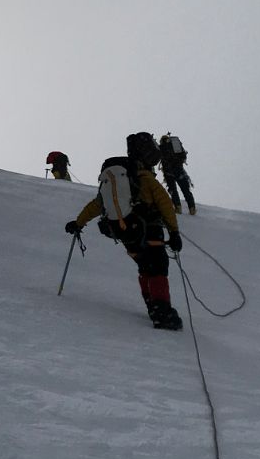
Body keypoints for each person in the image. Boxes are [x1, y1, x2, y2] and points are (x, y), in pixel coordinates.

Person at [64, 132, 184, 330]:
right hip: (149, 231)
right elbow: (165, 204)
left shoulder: (121, 181)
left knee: (145, 268)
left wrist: (78, 222)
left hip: (128, 236)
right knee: (157, 268)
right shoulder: (145, 178)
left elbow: (97, 205)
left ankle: (153, 307)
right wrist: (174, 232)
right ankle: (162, 312)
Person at [158, 133, 195, 214]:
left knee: (173, 190)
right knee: (185, 190)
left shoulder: (161, 147)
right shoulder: (176, 146)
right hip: (179, 170)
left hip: (168, 172)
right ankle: (192, 208)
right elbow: (183, 156)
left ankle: (178, 207)